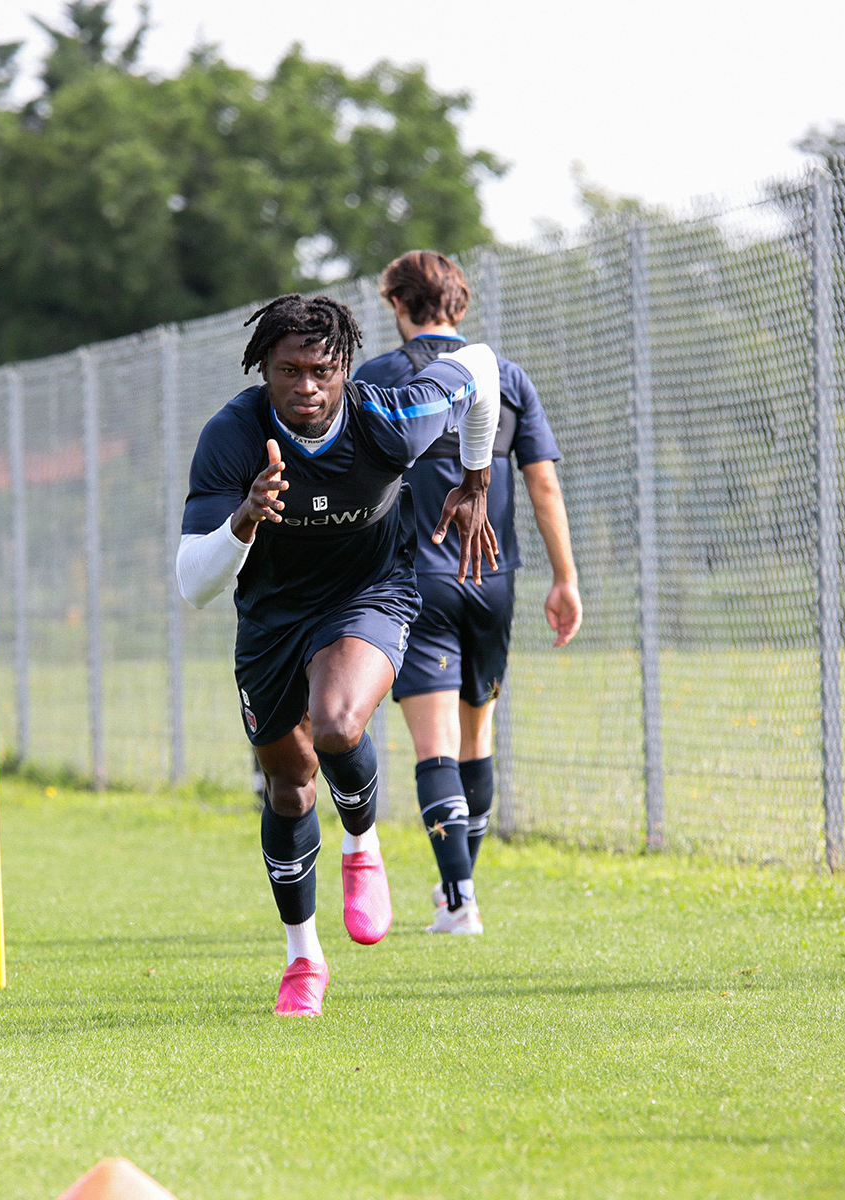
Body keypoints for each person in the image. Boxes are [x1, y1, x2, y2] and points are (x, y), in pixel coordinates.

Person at [178, 294, 502, 1016]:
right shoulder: (231, 437)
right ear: (263, 368)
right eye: (288, 370)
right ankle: (303, 960)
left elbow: (480, 367)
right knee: (289, 787)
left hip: (369, 594)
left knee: (336, 725)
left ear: (346, 367)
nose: (306, 387)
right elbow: (193, 585)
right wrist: (244, 518)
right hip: (269, 618)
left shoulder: (389, 419)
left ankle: (363, 842)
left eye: (321, 369)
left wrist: (475, 476)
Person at [352, 250, 581, 934]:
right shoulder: (507, 378)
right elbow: (543, 483)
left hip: (417, 581)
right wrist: (565, 577)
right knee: (477, 736)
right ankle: (461, 890)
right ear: (461, 305)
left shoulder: (380, 379)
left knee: (435, 746)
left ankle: (458, 900)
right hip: (493, 578)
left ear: (397, 305)